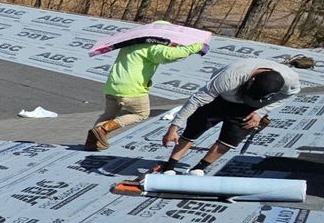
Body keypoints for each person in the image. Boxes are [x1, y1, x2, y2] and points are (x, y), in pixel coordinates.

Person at [157, 58, 302, 174]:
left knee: (230, 138)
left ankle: (199, 168)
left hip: (250, 108)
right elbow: (196, 100)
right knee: (195, 128)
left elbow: (290, 94)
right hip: (220, 99)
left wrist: (260, 112)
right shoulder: (231, 77)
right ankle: (170, 166)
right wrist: (173, 128)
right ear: (251, 80)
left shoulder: (290, 80)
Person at [85, 36, 206, 151]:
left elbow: (158, 54)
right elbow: (170, 55)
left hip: (112, 86)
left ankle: (92, 142)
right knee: (141, 114)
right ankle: (104, 129)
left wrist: (171, 46)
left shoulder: (131, 43)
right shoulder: (152, 47)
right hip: (132, 89)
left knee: (108, 114)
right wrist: (197, 46)